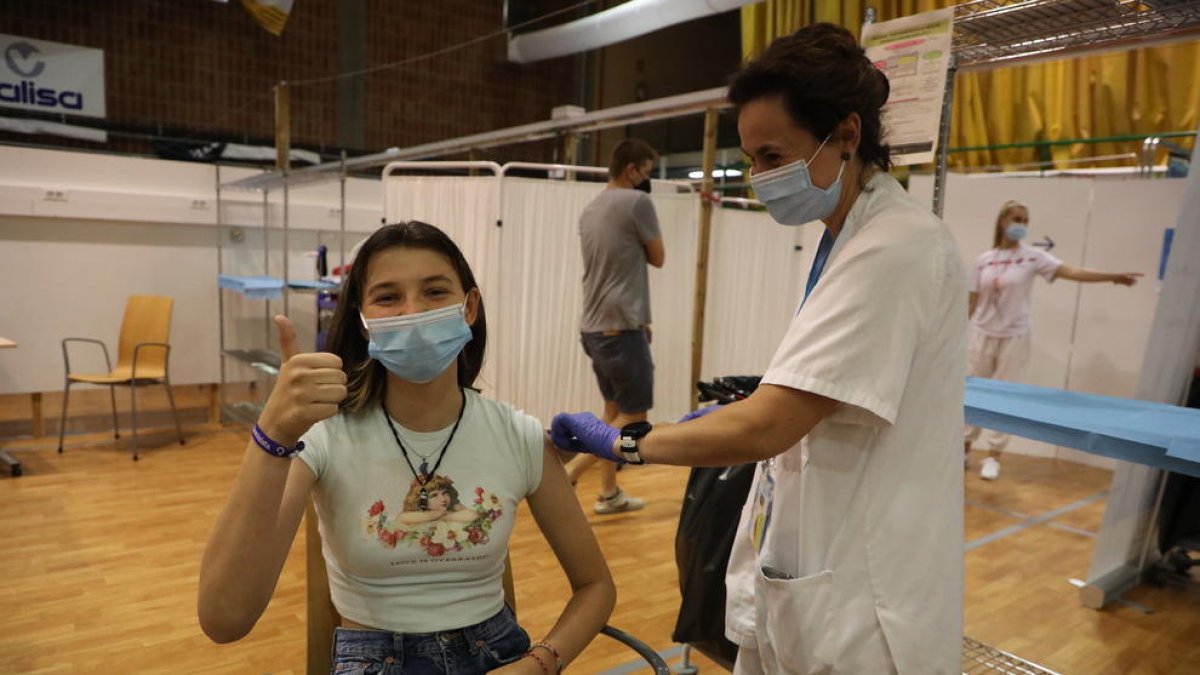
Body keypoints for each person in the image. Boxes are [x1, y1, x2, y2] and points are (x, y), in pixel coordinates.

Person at [551, 24, 966, 674]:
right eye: (752, 159)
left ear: (847, 135)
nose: (759, 177)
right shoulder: (849, 238)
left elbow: (773, 422)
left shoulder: (897, 246)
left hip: (863, 605)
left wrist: (626, 442)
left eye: (773, 157)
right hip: (815, 562)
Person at [199, 221, 615, 674]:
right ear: (362, 319)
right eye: (388, 297)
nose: (412, 313)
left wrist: (539, 664)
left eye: (435, 292)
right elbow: (225, 619)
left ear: (469, 307)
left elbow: (596, 586)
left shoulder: (518, 434)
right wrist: (273, 434)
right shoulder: (323, 437)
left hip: (500, 654)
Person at [965, 200, 1142, 480]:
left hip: (1015, 336)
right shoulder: (983, 260)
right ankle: (964, 449)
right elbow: (971, 302)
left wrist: (1111, 277)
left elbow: (1070, 271)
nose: (1021, 225)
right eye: (1017, 219)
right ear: (1002, 222)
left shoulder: (1033, 257)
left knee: (1006, 396)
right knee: (973, 392)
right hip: (981, 334)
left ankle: (993, 456)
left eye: (1025, 220)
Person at [564, 137, 665, 514]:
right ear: (632, 170)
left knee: (612, 415)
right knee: (634, 416)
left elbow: (616, 266)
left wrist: (641, 320)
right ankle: (571, 473)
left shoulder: (590, 209)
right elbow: (658, 257)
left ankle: (608, 494)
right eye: (647, 172)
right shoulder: (637, 202)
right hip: (619, 329)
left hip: (595, 329)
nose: (648, 180)